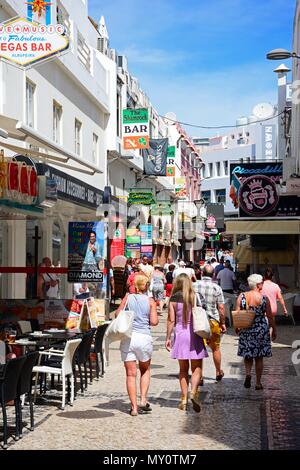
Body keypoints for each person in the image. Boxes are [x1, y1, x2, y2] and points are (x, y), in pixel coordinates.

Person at [115, 275, 158, 416]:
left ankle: (133, 408)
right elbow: (154, 321)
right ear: (146, 286)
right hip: (144, 338)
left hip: (129, 338)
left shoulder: (128, 298)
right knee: (145, 370)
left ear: (135, 285)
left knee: (130, 374)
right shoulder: (150, 301)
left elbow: (117, 314)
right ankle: (143, 399)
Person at [165, 274, 208, 413]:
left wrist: (168, 337)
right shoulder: (195, 296)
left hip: (180, 335)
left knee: (183, 370)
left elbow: (171, 320)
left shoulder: (173, 299)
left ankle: (183, 399)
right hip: (194, 334)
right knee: (196, 368)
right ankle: (193, 392)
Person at [235, 274, 277, 390]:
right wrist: (274, 329)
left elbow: (237, 312)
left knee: (248, 355)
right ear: (258, 285)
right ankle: (258, 383)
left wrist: (237, 327)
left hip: (246, 328)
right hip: (260, 330)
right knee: (259, 357)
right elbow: (269, 316)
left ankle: (248, 374)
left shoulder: (242, 296)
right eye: (262, 283)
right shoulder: (263, 298)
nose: (263, 284)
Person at [194, 264, 226, 383]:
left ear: (202, 273)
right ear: (213, 275)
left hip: (198, 321)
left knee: (199, 349)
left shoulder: (193, 285)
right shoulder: (216, 288)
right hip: (213, 321)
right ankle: (218, 371)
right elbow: (221, 308)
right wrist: (223, 323)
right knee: (216, 348)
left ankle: (200, 376)